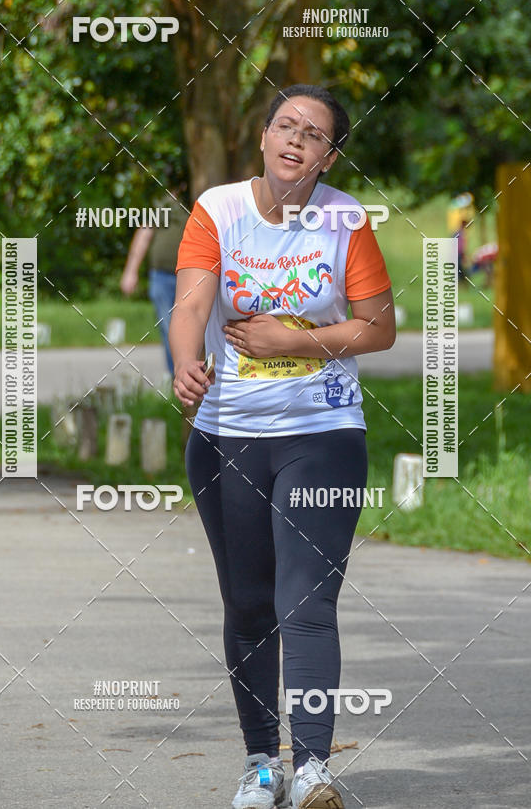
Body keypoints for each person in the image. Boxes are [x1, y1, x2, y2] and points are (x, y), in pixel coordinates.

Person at [169, 84, 395, 809]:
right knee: (248, 604)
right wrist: (184, 361)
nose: (297, 140)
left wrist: (296, 339)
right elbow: (193, 304)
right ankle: (262, 763)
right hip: (227, 438)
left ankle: (314, 770)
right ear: (264, 138)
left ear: (330, 155)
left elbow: (378, 327)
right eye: (286, 126)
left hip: (323, 435)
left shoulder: (345, 221)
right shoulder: (219, 210)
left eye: (315, 134)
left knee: (307, 602)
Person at [120, 198, 187, 377]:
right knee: (168, 328)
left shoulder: (200, 196)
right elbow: (144, 234)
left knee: (191, 329)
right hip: (162, 277)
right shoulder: (162, 203)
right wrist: (130, 271)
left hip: (191, 277)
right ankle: (174, 376)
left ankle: (193, 379)